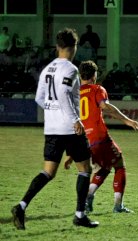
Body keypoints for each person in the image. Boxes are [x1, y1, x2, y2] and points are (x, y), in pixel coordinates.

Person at [11, 28, 98, 230]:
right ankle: (79, 215)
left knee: (48, 172)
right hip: (70, 129)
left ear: (58, 47)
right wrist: (75, 120)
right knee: (85, 169)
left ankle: (21, 206)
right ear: (74, 47)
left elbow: (39, 98)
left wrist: (53, 112)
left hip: (51, 129)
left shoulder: (48, 68)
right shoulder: (70, 69)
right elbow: (64, 93)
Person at [64, 60, 138, 213]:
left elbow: (71, 123)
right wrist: (127, 120)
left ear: (81, 76)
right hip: (100, 136)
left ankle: (89, 197)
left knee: (104, 167)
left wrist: (71, 154)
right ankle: (117, 205)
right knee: (119, 165)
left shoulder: (74, 95)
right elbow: (105, 106)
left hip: (84, 140)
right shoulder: (97, 89)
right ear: (94, 75)